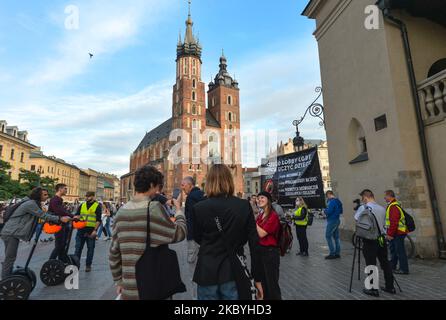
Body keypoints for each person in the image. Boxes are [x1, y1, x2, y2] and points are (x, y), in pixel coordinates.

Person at [109, 165, 186, 300]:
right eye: (157, 187)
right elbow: (179, 234)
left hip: (129, 289)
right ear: (151, 185)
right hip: (152, 286)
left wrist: (119, 280)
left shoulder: (121, 212)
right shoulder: (153, 208)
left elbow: (114, 251)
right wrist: (179, 211)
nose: (158, 191)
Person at [192, 164, 263, 300]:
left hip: (207, 270)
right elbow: (255, 245)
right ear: (229, 181)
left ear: (209, 181)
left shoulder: (199, 208)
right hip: (233, 270)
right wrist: (257, 278)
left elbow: (197, 237)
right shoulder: (243, 205)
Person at [1, 188, 70, 279]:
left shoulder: (32, 203)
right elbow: (42, 215)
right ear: (38, 195)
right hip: (11, 233)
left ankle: (8, 276)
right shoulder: (31, 204)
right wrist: (59, 219)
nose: (47, 196)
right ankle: (6, 280)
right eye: (44, 195)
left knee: (10, 257)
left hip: (10, 232)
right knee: (10, 257)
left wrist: (56, 218)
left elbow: (45, 214)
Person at [354, 189, 395, 297]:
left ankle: (373, 289)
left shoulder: (364, 208)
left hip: (369, 239)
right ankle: (390, 286)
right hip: (381, 239)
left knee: (371, 264)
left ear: (365, 197)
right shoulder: (382, 208)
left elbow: (357, 220)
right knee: (385, 262)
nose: (363, 200)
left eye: (363, 198)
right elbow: (386, 224)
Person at [256, 191, 282, 300]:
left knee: (271, 283)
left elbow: (262, 233)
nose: (259, 200)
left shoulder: (273, 215)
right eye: (258, 198)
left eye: (262, 197)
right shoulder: (261, 215)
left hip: (270, 253)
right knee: (264, 283)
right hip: (261, 251)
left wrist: (252, 221)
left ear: (268, 200)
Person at [74, 192, 102, 272]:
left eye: (88, 196)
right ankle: (76, 265)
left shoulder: (97, 206)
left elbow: (98, 220)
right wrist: (76, 218)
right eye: (86, 196)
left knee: (90, 249)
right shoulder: (82, 205)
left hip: (91, 231)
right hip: (81, 230)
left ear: (93, 197)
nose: (86, 197)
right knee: (78, 248)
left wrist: (95, 230)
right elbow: (77, 215)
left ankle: (88, 265)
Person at [181, 176, 206, 264]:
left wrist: (190, 236)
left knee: (192, 261)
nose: (182, 187)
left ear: (190, 185)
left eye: (183, 185)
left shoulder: (191, 197)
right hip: (204, 235)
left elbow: (191, 218)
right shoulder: (202, 194)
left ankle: (193, 278)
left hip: (194, 236)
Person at [384, 190, 409, 275]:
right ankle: (392, 266)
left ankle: (404, 269)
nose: (384, 198)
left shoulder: (393, 206)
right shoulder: (392, 205)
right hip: (396, 232)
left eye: (385, 196)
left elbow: (394, 222)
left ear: (390, 196)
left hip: (398, 233)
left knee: (400, 251)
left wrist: (390, 234)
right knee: (393, 250)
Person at [49, 184, 75, 263]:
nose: (66, 190)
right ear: (60, 189)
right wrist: (72, 216)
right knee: (59, 245)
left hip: (62, 225)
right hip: (58, 225)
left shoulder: (59, 199)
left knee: (63, 244)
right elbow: (59, 211)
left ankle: (61, 261)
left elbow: (63, 211)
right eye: (65, 189)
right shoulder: (55, 199)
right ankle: (50, 262)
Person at [324, 191, 343, 259]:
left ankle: (332, 253)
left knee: (328, 236)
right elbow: (341, 211)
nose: (327, 198)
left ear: (329, 195)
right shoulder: (338, 201)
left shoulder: (331, 202)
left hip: (332, 220)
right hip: (337, 220)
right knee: (336, 237)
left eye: (327, 196)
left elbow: (328, 211)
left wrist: (324, 210)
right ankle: (337, 253)